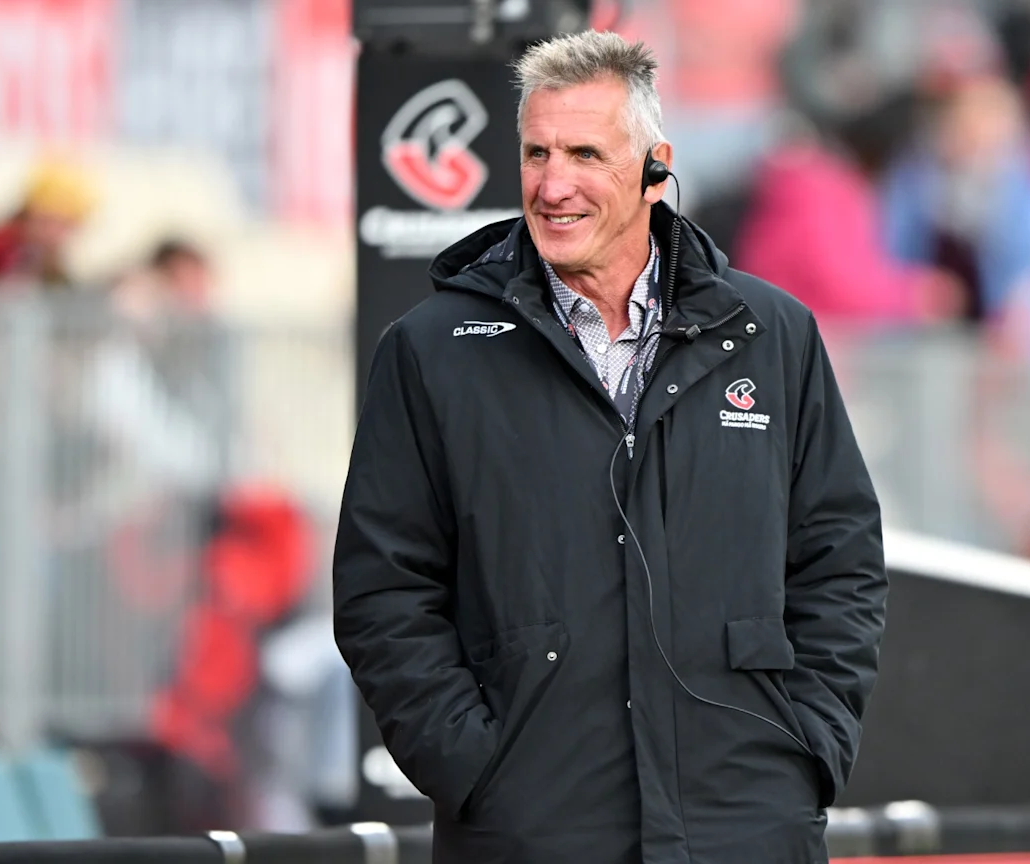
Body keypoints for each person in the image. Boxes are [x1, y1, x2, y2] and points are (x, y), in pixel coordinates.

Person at [333, 30, 887, 864]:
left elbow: (840, 558)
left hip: (747, 824)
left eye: (585, 154)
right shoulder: (431, 349)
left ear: (655, 168)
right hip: (530, 831)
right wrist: (471, 765)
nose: (553, 185)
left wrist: (810, 746)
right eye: (537, 153)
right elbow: (382, 587)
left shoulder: (772, 335)